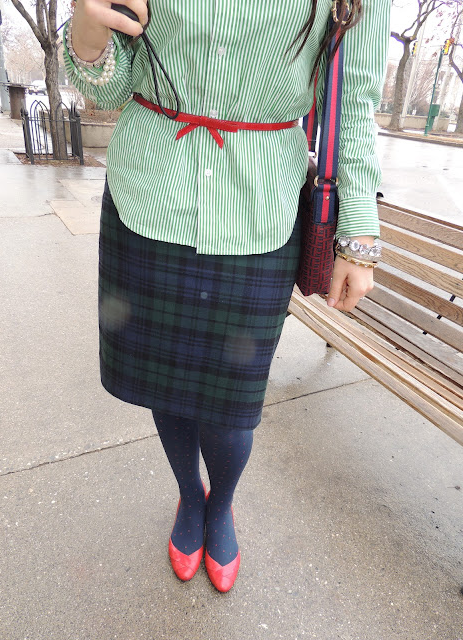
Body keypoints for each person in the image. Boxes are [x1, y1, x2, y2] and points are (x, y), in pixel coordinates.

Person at [64, 0, 390, 592]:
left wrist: (358, 233)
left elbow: (355, 99)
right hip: (150, 195)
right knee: (167, 382)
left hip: (261, 208)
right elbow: (107, 89)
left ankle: (222, 502)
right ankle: (190, 496)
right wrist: (86, 23)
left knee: (233, 400)